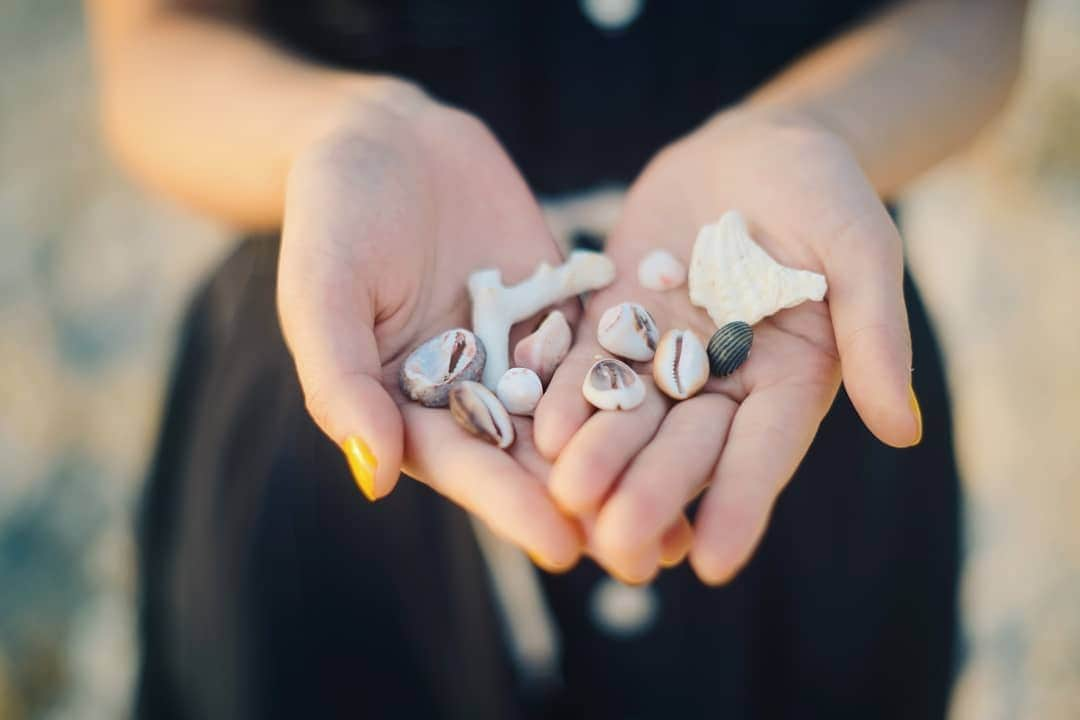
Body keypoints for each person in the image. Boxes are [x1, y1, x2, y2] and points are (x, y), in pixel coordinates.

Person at [85, 0, 1027, 717]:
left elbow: (975, 19)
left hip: (795, 405)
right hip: (364, 350)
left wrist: (826, 128)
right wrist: (333, 134)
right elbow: (152, 43)